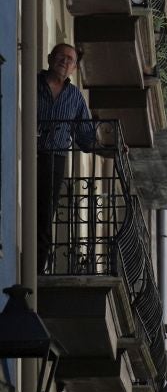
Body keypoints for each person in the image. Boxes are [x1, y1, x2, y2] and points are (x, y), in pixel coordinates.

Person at [37, 42, 96, 273]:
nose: (65, 61)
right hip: (28, 153)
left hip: (55, 160)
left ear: (74, 69)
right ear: (50, 58)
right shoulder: (32, 82)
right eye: (61, 56)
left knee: (44, 215)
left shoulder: (74, 97)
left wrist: (113, 147)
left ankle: (37, 272)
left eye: (70, 60)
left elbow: (86, 138)